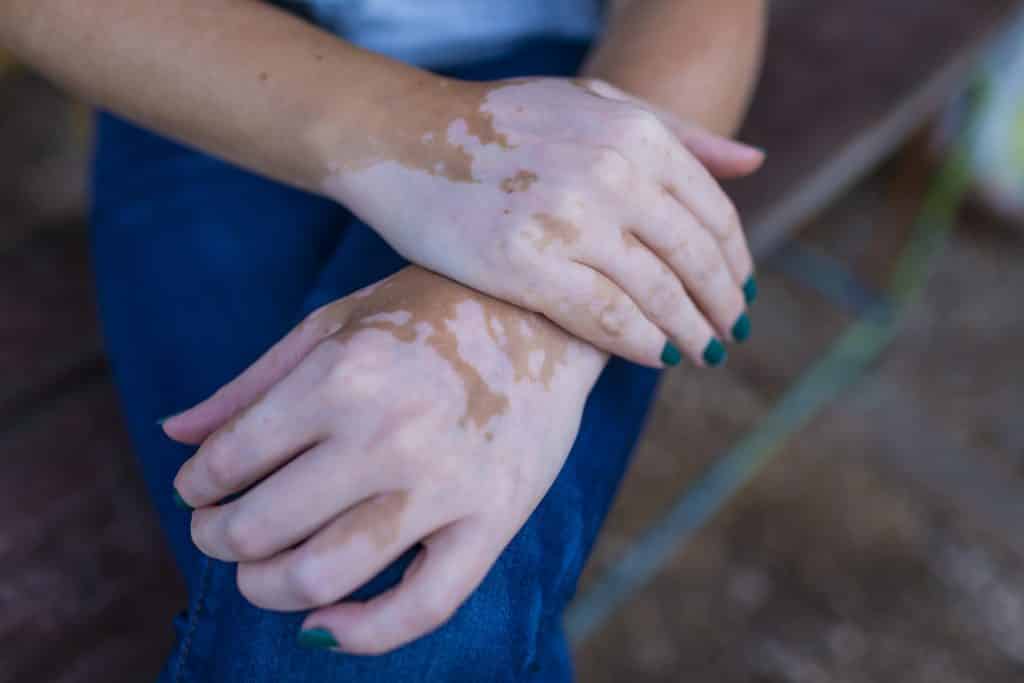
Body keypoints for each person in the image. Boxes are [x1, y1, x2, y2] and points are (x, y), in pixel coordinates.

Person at [0, 1, 766, 680]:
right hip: (198, 47)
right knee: (363, 588)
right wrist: (434, 142)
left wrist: (507, 312)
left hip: (574, 69)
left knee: (371, 576)